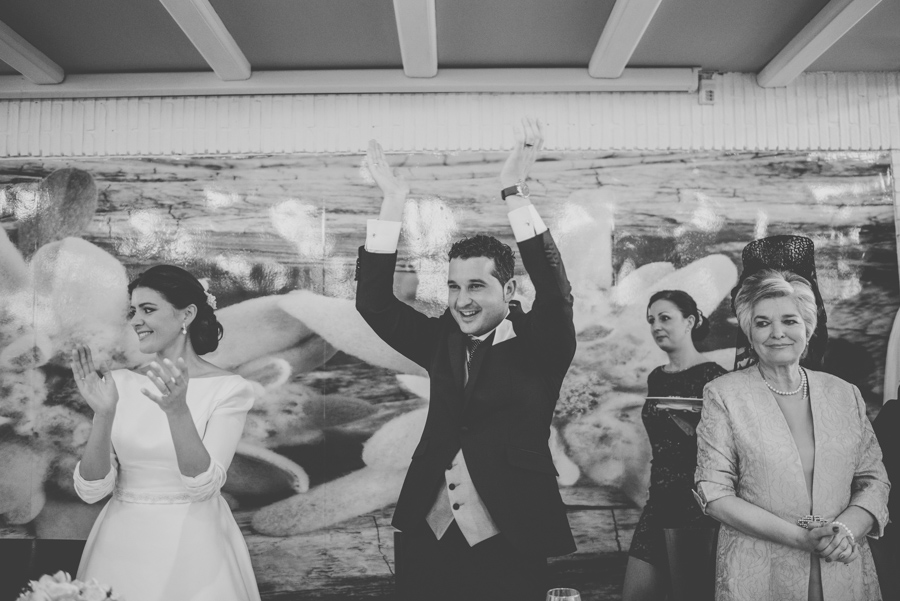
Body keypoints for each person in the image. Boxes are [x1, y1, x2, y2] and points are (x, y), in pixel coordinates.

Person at [356, 118, 577, 601]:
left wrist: (512, 191)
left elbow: (557, 291)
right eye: (454, 286)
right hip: (425, 530)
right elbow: (373, 303)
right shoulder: (442, 340)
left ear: (510, 289)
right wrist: (393, 203)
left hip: (511, 534)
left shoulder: (544, 346)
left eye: (476, 285)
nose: (462, 300)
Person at [695, 268, 889, 601]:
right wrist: (801, 538)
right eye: (762, 323)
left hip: (842, 568)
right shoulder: (723, 394)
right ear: (749, 333)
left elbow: (874, 481)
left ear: (808, 328)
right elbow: (713, 492)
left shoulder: (845, 394)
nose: (777, 333)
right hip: (759, 574)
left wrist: (846, 530)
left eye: (789, 320)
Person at [71, 265, 260, 601]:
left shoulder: (230, 389)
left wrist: (177, 412)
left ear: (186, 314)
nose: (135, 320)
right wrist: (104, 415)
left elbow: (203, 484)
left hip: (194, 548)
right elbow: (91, 490)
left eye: (148, 309)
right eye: (133, 311)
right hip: (119, 545)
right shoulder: (121, 384)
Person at [622, 290, 727, 601]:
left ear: (690, 321)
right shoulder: (657, 377)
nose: (656, 326)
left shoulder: (715, 377)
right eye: (651, 320)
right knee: (634, 595)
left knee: (690, 595)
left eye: (665, 318)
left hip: (695, 508)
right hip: (658, 504)